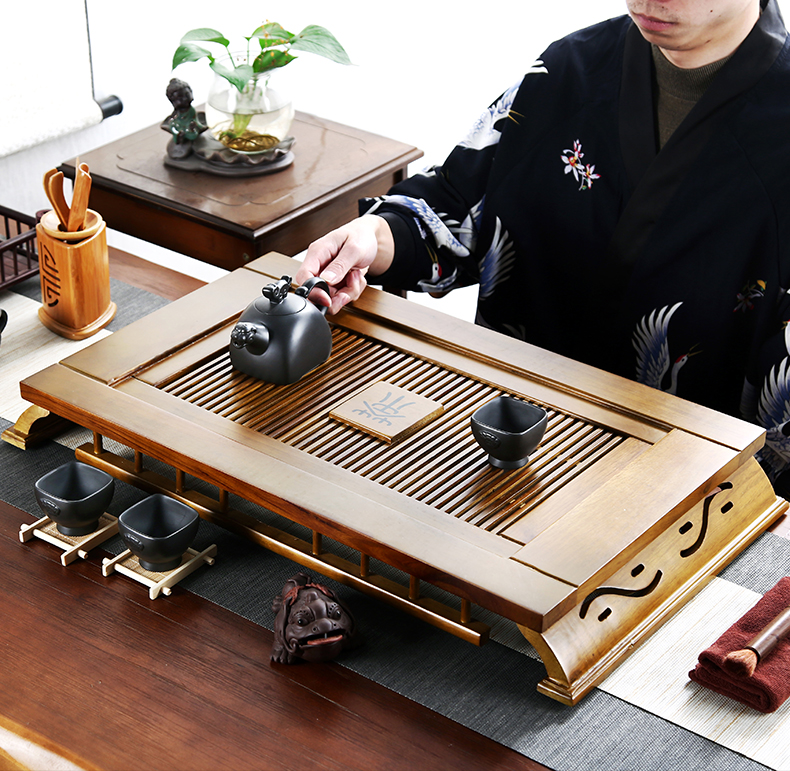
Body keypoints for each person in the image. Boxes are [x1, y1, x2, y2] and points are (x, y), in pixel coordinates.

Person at [295, 0, 790, 488]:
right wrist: (371, 238)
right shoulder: (569, 69)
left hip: (696, 484)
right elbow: (460, 203)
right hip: (513, 445)